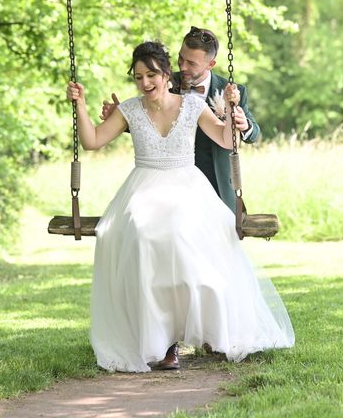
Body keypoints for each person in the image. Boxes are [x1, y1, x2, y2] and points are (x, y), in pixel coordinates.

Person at [67, 41, 294, 373]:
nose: (145, 83)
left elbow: (225, 139)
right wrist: (80, 105)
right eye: (139, 77)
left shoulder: (191, 105)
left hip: (187, 187)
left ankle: (206, 328)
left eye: (152, 75)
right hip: (143, 188)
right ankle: (159, 342)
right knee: (142, 234)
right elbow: (92, 141)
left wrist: (232, 111)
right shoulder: (129, 109)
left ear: (166, 73)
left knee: (183, 234)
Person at [101, 26, 260, 212]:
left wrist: (244, 124)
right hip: (171, 187)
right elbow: (149, 118)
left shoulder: (231, 90)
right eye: (181, 58)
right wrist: (122, 119)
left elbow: (254, 134)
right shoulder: (161, 80)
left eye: (191, 63)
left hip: (217, 185)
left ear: (210, 64)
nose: (182, 67)